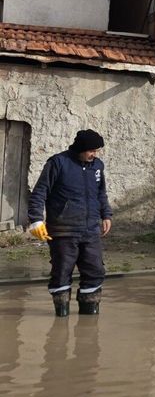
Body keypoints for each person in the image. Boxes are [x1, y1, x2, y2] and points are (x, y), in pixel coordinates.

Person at [27, 129, 112, 317]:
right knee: (62, 271)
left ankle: (89, 317)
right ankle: (61, 316)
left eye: (96, 151)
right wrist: (36, 220)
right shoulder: (58, 163)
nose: (94, 155)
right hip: (63, 230)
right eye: (91, 151)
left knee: (95, 270)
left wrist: (106, 214)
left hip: (90, 230)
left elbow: (101, 193)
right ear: (81, 148)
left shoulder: (97, 166)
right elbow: (40, 193)